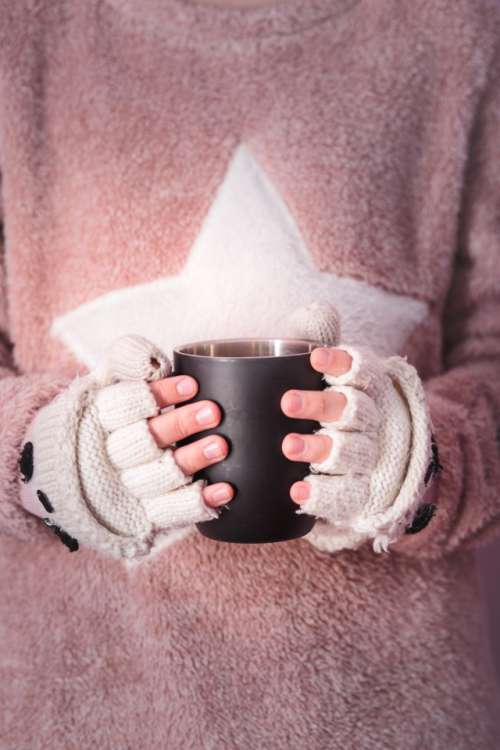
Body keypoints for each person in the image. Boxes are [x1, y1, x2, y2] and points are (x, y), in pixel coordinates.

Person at [1, 0, 499, 747]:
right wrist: (47, 459)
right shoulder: (21, 30)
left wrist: (423, 461)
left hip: (399, 714)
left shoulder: (464, 27)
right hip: (73, 711)